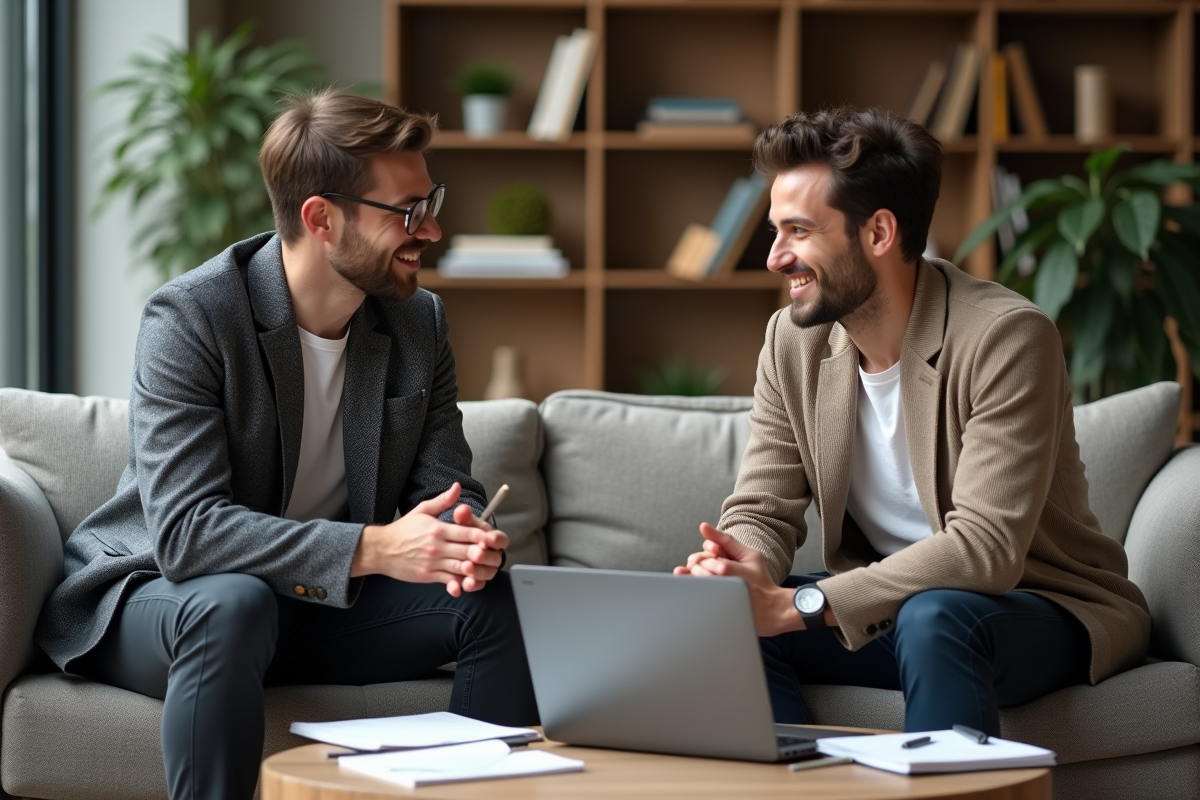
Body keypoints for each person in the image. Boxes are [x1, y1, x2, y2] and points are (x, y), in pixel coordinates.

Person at [35, 89, 538, 799]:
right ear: (321, 218)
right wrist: (377, 547)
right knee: (234, 605)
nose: (431, 231)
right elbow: (186, 535)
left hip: (314, 604)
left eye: (432, 202)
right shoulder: (193, 317)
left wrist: (460, 535)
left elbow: (445, 484)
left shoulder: (417, 324)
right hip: (163, 599)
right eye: (408, 212)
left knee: (500, 603)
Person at [674, 107, 1150, 735]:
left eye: (797, 230)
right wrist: (745, 570)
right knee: (727, 616)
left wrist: (801, 604)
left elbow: (985, 551)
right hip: (892, 606)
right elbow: (762, 508)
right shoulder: (794, 342)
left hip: (1039, 605)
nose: (774, 258)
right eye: (774, 230)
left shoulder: (1006, 337)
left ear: (878, 233)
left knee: (935, 617)